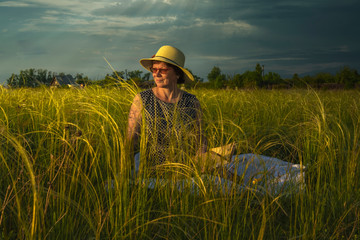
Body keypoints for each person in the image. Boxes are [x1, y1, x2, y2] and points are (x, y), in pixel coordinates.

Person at [126, 45, 210, 174]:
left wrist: (200, 164)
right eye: (154, 69)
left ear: (177, 74)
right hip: (148, 167)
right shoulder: (142, 99)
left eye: (163, 70)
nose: (157, 74)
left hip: (183, 168)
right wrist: (124, 168)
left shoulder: (192, 102)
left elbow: (200, 140)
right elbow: (131, 139)